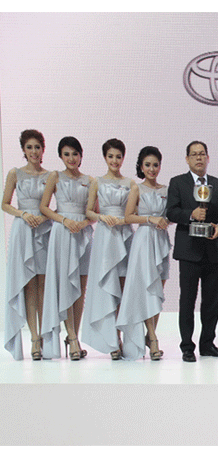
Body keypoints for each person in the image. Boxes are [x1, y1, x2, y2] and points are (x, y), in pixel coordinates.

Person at [166, 140, 218, 362]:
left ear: (208, 158)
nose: (199, 158)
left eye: (202, 154)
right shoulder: (177, 182)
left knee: (212, 301)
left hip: (213, 251)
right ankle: (187, 346)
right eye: (194, 154)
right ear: (187, 159)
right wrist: (191, 214)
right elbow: (171, 212)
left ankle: (207, 344)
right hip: (189, 251)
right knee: (187, 301)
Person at [39, 136, 94, 360]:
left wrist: (84, 223)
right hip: (62, 233)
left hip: (83, 235)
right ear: (61, 156)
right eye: (66, 154)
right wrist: (63, 220)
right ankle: (71, 337)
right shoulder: (55, 176)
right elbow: (44, 207)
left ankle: (74, 336)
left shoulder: (90, 180)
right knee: (65, 284)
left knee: (80, 287)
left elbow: (93, 212)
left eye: (75, 153)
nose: (71, 158)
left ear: (81, 155)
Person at [117, 146, 171, 360]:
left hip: (161, 241)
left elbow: (171, 214)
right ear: (141, 166)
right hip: (143, 240)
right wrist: (150, 219)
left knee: (157, 289)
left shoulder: (166, 189)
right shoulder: (137, 189)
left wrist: (166, 220)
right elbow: (128, 216)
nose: (152, 169)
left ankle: (150, 335)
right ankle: (153, 338)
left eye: (155, 165)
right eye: (147, 165)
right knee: (147, 288)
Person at [82, 139, 134, 359]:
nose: (115, 160)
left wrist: (124, 219)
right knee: (107, 285)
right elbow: (88, 211)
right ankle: (112, 339)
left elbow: (134, 211)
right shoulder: (97, 182)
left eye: (118, 156)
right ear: (105, 157)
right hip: (105, 235)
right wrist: (102, 217)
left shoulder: (130, 183)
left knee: (123, 286)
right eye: (111, 156)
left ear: (123, 158)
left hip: (124, 234)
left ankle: (121, 336)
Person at [3, 129, 52, 360]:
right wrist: (23, 214)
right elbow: (5, 203)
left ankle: (45, 336)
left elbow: (58, 205)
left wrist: (45, 217)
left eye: (37, 147)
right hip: (23, 230)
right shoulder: (15, 173)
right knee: (29, 284)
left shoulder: (50, 176)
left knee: (44, 284)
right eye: (29, 147)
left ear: (43, 149)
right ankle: (34, 338)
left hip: (44, 230)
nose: (34, 151)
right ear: (23, 149)